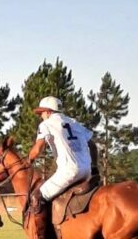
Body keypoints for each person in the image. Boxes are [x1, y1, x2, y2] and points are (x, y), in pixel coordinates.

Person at [26, 96, 93, 239]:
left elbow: (37, 150)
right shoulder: (75, 123)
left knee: (36, 197)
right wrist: (93, 165)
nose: (41, 116)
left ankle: (42, 236)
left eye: (41, 113)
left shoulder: (47, 124)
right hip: (86, 170)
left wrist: (29, 159)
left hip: (69, 171)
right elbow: (92, 144)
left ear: (49, 112)